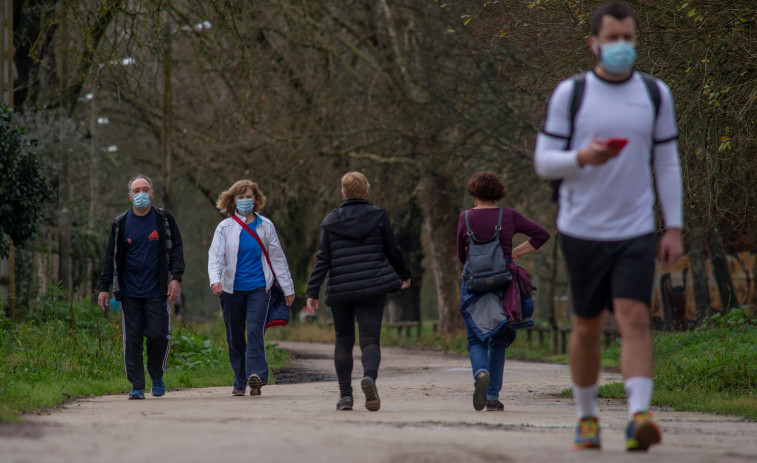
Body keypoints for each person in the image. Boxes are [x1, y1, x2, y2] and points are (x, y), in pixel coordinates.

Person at [534, 1, 683, 452]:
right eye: (613, 38)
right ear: (594, 43)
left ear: (636, 40)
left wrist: (673, 226)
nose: (621, 46)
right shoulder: (571, 94)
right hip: (581, 228)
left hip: (635, 228)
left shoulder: (656, 94)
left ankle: (639, 414)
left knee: (635, 316)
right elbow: (544, 162)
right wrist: (582, 157)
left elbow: (666, 162)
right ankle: (587, 417)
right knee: (587, 326)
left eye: (628, 38)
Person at [306, 172, 411, 412]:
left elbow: (322, 258)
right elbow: (392, 249)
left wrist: (312, 291)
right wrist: (403, 275)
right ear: (366, 192)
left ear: (343, 193)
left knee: (343, 340)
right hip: (372, 288)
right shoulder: (378, 216)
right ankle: (370, 379)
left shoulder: (331, 221)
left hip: (341, 289)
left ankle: (345, 396)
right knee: (370, 340)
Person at [456, 172, 550, 412]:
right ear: (498, 192)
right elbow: (542, 234)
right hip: (504, 284)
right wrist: (516, 252)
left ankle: (480, 372)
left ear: (474, 192)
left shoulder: (465, 218)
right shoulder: (508, 215)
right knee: (497, 340)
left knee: (475, 337)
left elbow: (461, 256)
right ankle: (491, 397)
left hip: (473, 284)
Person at [98, 175, 185, 400]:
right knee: (133, 338)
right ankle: (137, 385)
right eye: (136, 191)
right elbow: (111, 257)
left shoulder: (164, 219)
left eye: (145, 189)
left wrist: (176, 278)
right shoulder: (121, 223)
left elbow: (176, 249)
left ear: (152, 193)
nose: (141, 194)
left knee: (158, 335)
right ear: (130, 196)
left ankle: (156, 375)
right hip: (129, 292)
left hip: (157, 290)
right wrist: (104, 287)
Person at [208, 179, 295, 397]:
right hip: (230, 290)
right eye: (241, 197)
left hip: (259, 288)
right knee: (235, 336)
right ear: (233, 200)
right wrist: (215, 280)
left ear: (256, 199)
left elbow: (277, 258)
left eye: (249, 196)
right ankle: (239, 380)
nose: (245, 200)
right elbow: (215, 257)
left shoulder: (265, 225)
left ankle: (256, 376)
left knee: (255, 331)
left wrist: (288, 288)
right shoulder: (225, 227)